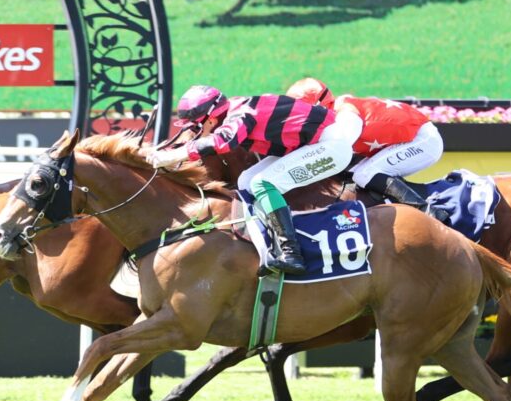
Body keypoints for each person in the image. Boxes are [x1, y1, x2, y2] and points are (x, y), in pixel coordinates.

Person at [145, 85, 362, 276]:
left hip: (331, 147)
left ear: (211, 119)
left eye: (194, 127)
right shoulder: (234, 111)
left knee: (261, 183)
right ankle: (268, 243)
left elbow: (224, 142)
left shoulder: (241, 114)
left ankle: (291, 253)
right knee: (246, 182)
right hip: (316, 144)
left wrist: (176, 155)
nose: (193, 132)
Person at [286, 77, 448, 222]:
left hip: (423, 141)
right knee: (356, 172)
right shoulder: (336, 109)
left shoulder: (346, 115)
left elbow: (336, 152)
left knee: (364, 174)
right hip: (408, 137)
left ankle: (427, 211)